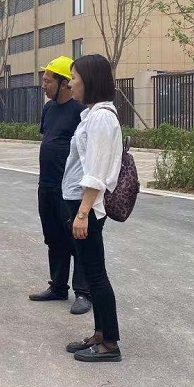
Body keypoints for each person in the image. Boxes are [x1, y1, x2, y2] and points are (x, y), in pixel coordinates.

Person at [61, 54, 124, 363]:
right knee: (92, 270)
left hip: (87, 205)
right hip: (80, 202)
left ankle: (109, 343)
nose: (70, 84)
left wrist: (83, 212)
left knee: (96, 274)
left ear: (89, 80)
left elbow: (97, 171)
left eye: (74, 78)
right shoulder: (93, 114)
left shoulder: (101, 118)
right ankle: (100, 334)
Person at [28, 56, 90, 314]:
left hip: (71, 189)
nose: (44, 85)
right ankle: (58, 286)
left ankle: (84, 293)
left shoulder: (80, 111)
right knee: (53, 237)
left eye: (48, 81)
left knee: (77, 240)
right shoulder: (48, 109)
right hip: (47, 184)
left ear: (64, 83)